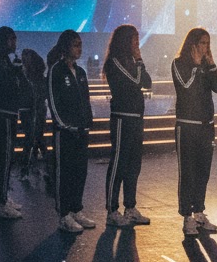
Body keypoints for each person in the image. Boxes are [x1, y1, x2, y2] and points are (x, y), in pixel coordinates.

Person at [172, 27, 217, 236]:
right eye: (202, 43)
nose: (205, 48)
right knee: (188, 173)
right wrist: (194, 66)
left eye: (207, 44)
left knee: (203, 172)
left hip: (206, 126)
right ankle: (187, 217)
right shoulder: (179, 63)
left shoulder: (205, 65)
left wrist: (210, 64)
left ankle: (199, 212)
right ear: (192, 44)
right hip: (187, 126)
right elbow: (185, 85)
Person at [103, 25, 153, 228]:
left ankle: (130, 207)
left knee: (134, 165)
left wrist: (138, 61)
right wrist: (139, 61)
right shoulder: (115, 62)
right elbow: (134, 81)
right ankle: (112, 210)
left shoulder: (133, 61)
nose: (137, 43)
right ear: (125, 41)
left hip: (136, 118)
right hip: (122, 118)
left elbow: (147, 83)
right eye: (134, 39)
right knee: (118, 164)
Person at [48, 30, 95, 233]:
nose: (80, 48)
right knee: (64, 173)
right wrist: (63, 124)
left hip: (81, 131)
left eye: (81, 44)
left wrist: (87, 122)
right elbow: (53, 100)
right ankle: (64, 214)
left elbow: (86, 100)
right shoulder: (56, 71)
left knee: (79, 172)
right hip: (64, 132)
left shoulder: (81, 73)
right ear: (66, 46)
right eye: (76, 44)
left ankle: (76, 209)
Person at [0, 26, 27, 220]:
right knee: (3, 156)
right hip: (2, 114)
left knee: (8, 156)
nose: (14, 44)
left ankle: (3, 196)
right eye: (11, 40)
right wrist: (14, 75)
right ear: (2, 41)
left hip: (11, 113)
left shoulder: (7, 63)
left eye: (15, 39)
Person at [19, 48, 49, 180]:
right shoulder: (32, 76)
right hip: (32, 110)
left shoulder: (29, 77)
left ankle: (27, 169)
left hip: (33, 110)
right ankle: (42, 167)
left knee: (32, 139)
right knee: (36, 138)